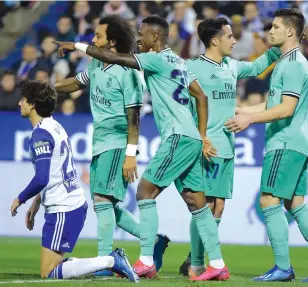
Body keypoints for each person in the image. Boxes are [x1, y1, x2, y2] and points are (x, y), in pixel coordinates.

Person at [54, 15, 229, 281]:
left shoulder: (155, 58)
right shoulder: (179, 62)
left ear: (155, 38)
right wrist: (202, 135)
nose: (138, 38)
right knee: (197, 202)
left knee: (145, 191)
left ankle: (146, 260)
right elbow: (201, 96)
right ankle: (217, 264)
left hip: (176, 136)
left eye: (142, 34)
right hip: (191, 136)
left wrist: (75, 45)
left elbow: (114, 58)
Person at [225, 8, 308, 282]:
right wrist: (245, 110)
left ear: (290, 31)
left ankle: (283, 268)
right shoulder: (291, 63)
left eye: (275, 26)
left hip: (285, 140)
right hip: (299, 141)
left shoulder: (292, 64)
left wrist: (250, 120)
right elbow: (277, 103)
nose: (270, 31)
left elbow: (286, 109)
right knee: (295, 203)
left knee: (268, 199)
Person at [54, 15, 169, 277]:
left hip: (118, 143)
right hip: (100, 142)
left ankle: (105, 262)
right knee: (106, 204)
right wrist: (48, 89)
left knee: (102, 199)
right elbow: (76, 82)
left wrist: (131, 155)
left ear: (112, 41)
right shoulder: (97, 65)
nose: (93, 40)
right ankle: (152, 239)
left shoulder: (127, 72)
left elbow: (134, 116)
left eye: (98, 36)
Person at [179, 18, 280, 278]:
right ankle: (197, 262)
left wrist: (279, 46)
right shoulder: (191, 67)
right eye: (229, 36)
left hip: (228, 146)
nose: (234, 41)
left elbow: (258, 66)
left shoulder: (231, 66)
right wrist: (199, 138)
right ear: (215, 40)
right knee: (204, 206)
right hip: (207, 147)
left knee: (218, 208)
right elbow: (181, 107)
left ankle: (198, 257)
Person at [10, 80, 138, 282]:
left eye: (23, 99)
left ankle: (110, 261)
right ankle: (108, 260)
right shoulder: (54, 126)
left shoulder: (40, 135)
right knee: (52, 268)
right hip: (69, 204)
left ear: (33, 104)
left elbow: (42, 177)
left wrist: (20, 198)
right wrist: (36, 203)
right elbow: (53, 172)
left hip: (63, 208)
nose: (19, 103)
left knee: (49, 273)